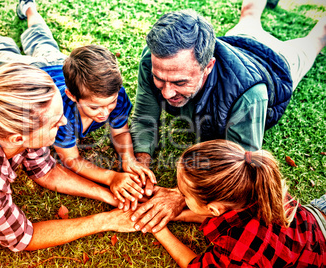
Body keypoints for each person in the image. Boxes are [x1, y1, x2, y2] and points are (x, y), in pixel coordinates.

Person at [129, 0, 326, 233]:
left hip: (278, 61)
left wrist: (180, 195)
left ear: (208, 66)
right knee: (249, 15)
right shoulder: (155, 60)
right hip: (239, 41)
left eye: (180, 82)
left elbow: (236, 167)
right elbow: (143, 116)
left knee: (315, 41)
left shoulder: (249, 96)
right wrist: (140, 165)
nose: (167, 92)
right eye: (159, 79)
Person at [0, 0, 156, 211]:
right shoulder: (60, 115)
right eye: (95, 108)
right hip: (29, 77)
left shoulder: (113, 93)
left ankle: (28, 8)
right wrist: (111, 177)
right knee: (0, 52)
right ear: (72, 96)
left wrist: (128, 159)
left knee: (42, 39)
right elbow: (72, 159)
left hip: (56, 62)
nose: (105, 113)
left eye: (111, 103)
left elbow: (120, 131)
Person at [0, 63, 137, 252]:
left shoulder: (13, 125)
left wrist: (107, 194)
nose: (64, 122)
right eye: (55, 123)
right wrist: (106, 220)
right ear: (18, 139)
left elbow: (46, 171)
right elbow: (23, 238)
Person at [153, 139, 326, 267]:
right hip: (318, 213)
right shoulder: (255, 183)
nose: (180, 197)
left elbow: (195, 265)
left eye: (184, 195)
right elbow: (224, 217)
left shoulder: (239, 250)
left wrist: (159, 230)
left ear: (213, 209)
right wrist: (180, 216)